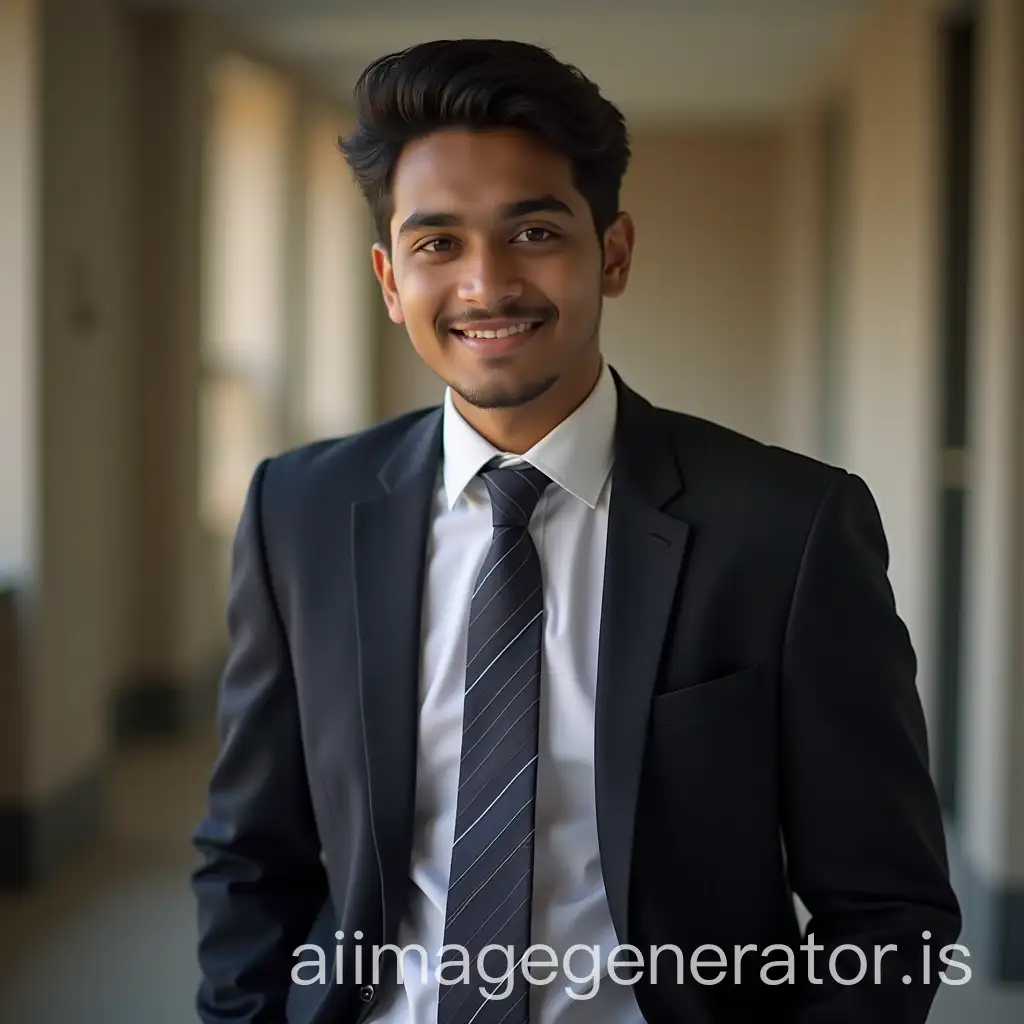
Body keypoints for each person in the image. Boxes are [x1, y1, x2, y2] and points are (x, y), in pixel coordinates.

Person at [191, 38, 961, 1024]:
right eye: (437, 244)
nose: (485, 285)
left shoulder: (789, 529)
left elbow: (885, 908)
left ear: (613, 252)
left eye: (533, 232)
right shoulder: (295, 511)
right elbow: (251, 853)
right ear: (390, 281)